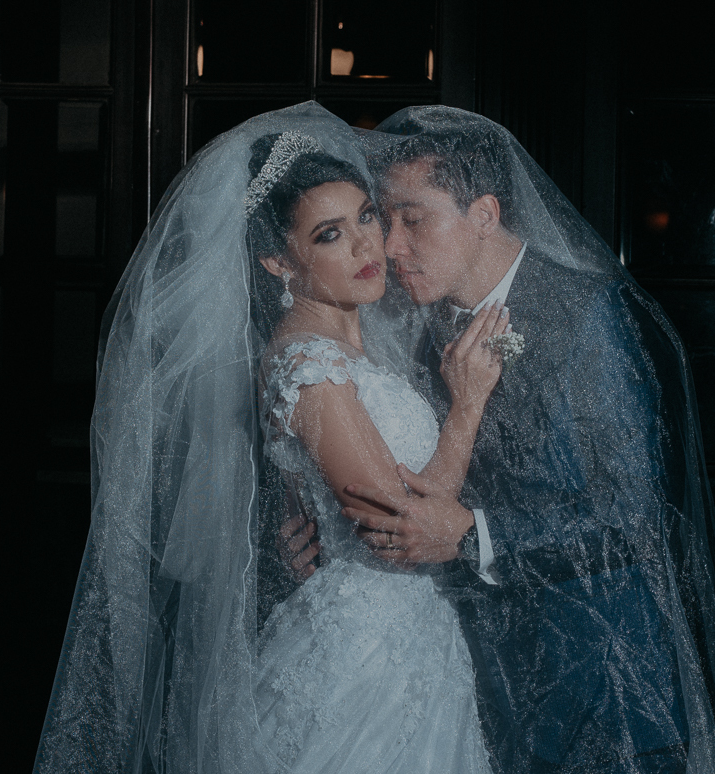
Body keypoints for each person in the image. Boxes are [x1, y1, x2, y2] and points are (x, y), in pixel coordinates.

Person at [32, 102, 510, 774]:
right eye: (329, 235)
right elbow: (401, 532)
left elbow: (313, 500)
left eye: (366, 217)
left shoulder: (356, 349)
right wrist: (467, 406)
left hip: (406, 643)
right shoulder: (306, 365)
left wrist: (300, 526)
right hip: (362, 660)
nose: (367, 247)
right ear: (277, 261)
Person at [328, 106, 715, 773]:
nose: (389, 247)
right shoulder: (424, 323)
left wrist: (473, 535)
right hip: (483, 683)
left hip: (604, 686)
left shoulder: (590, 315)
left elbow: (638, 513)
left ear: (484, 213)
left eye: (412, 219)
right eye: (384, 220)